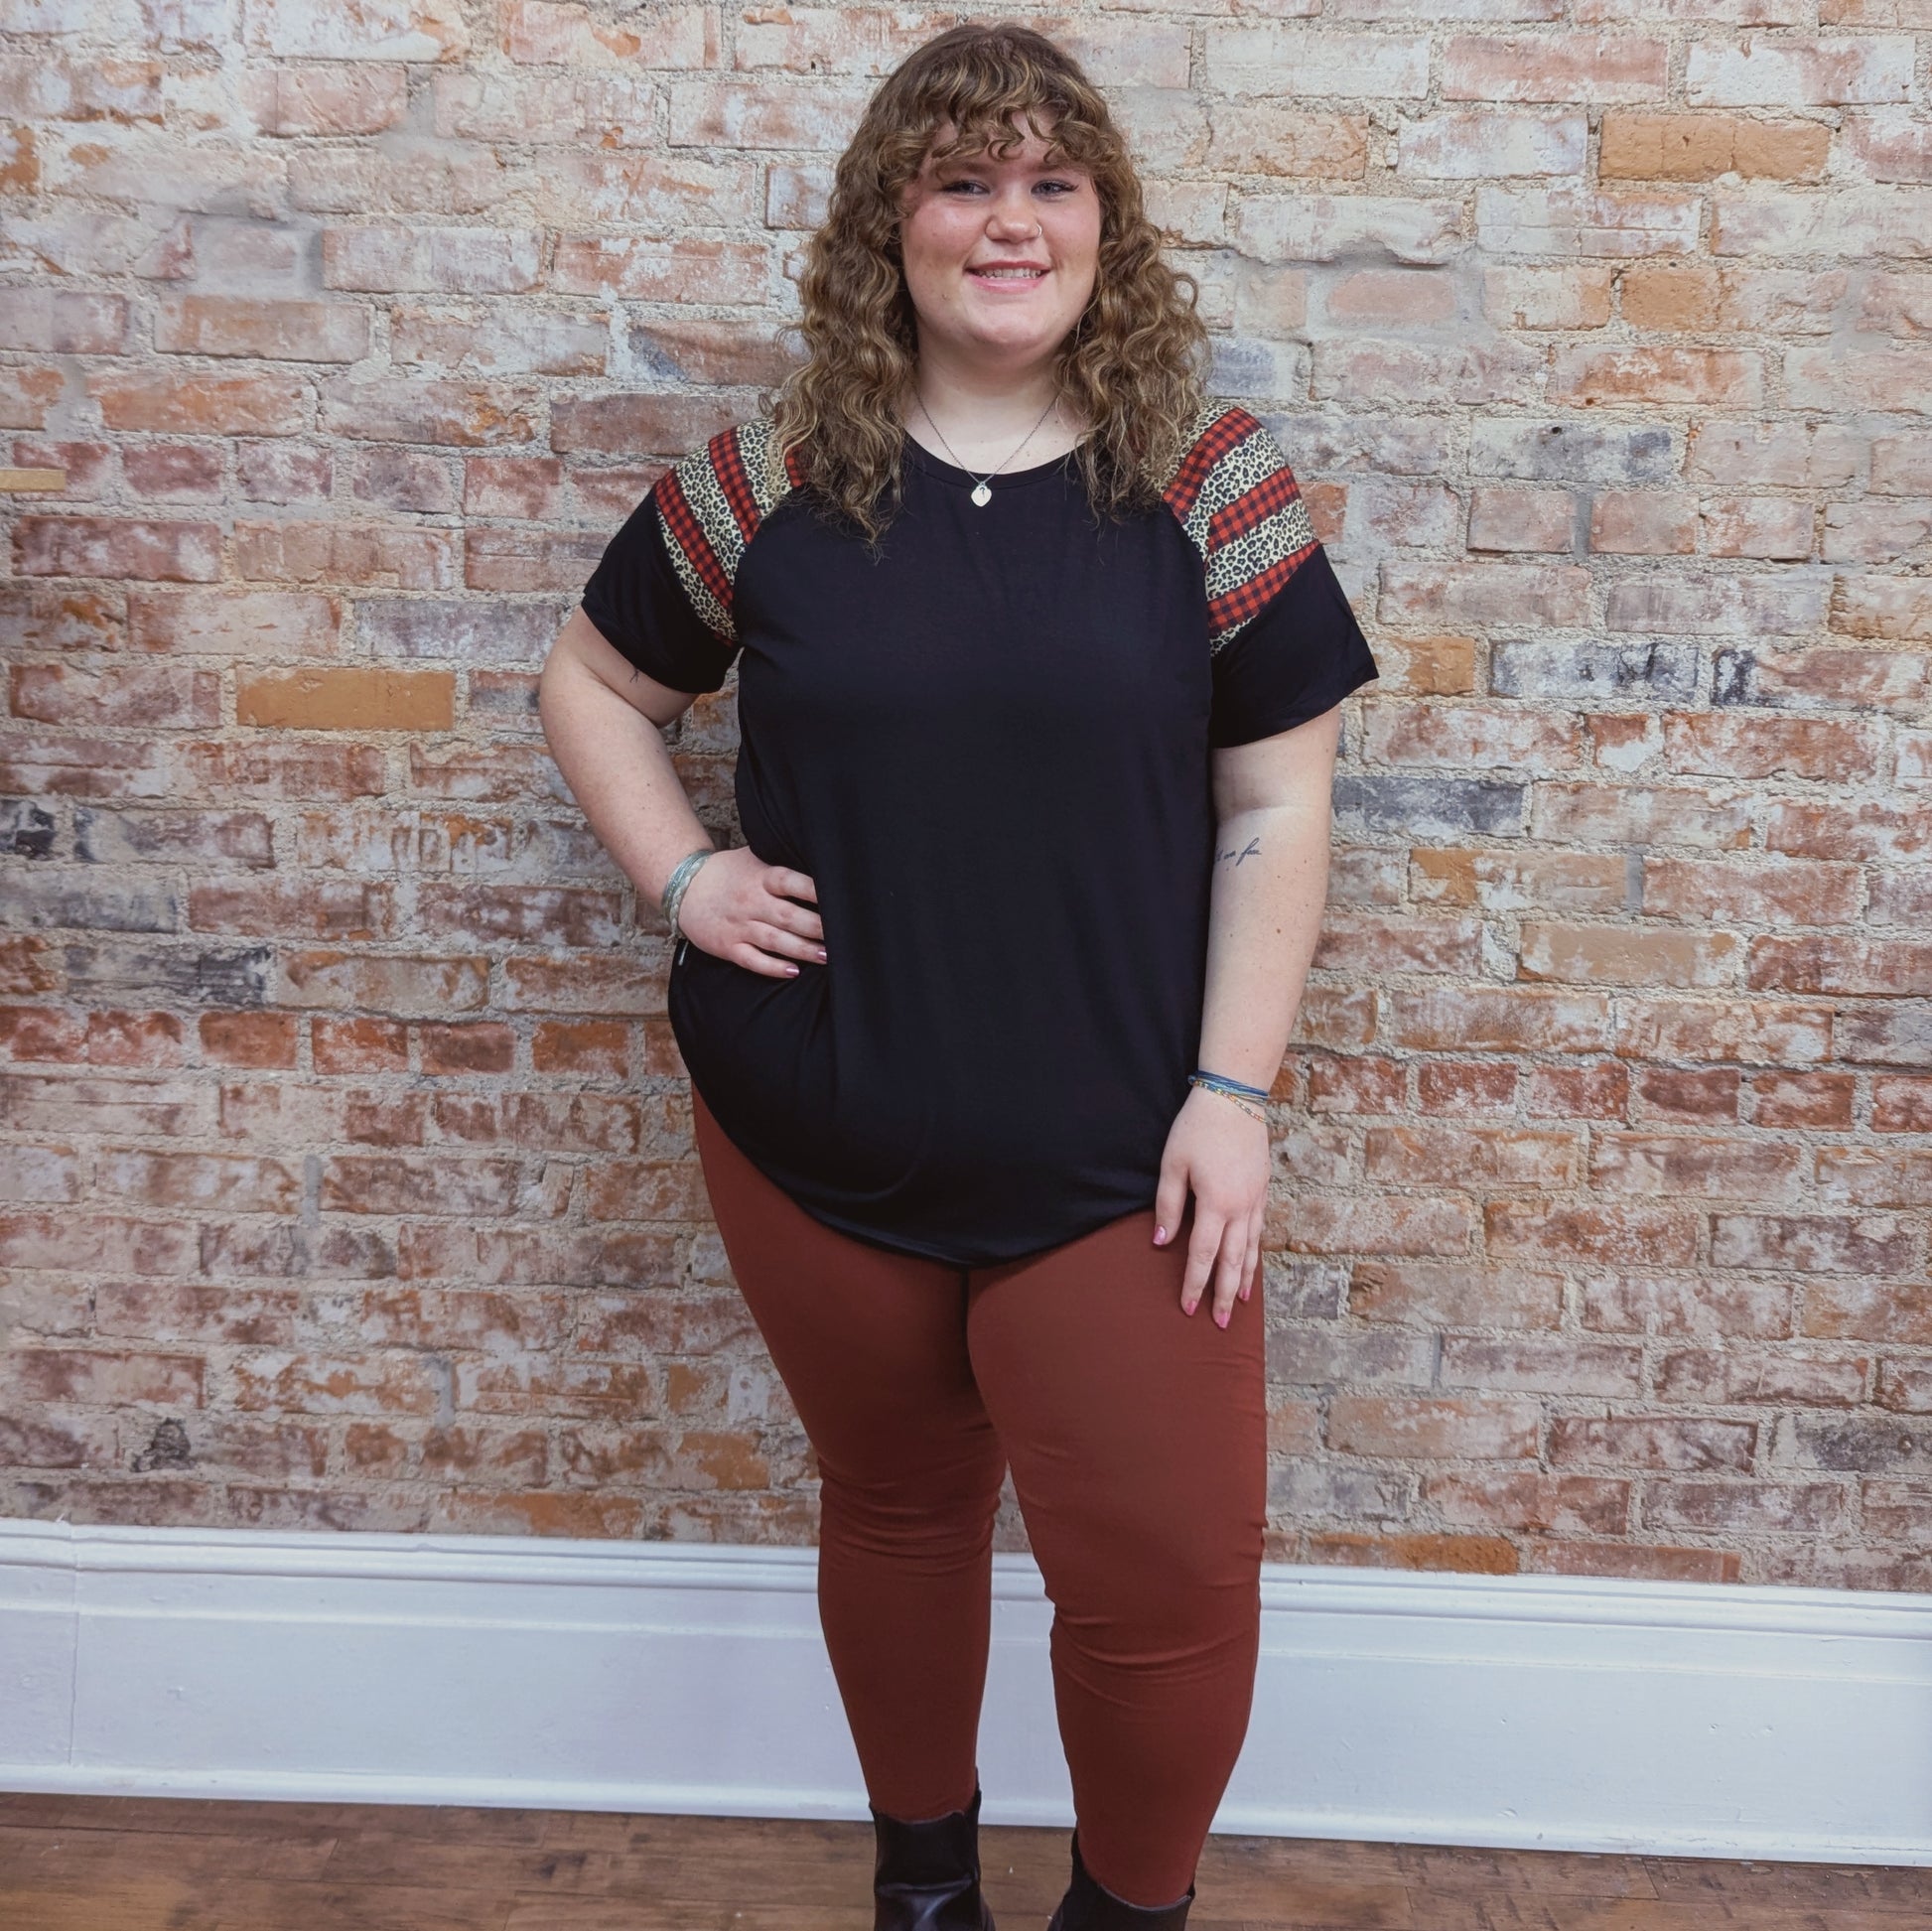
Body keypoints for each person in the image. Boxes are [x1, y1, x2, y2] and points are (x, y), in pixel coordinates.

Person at [537, 23, 1377, 1929]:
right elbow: (590, 680)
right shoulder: (773, 475)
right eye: (963, 182)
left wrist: (1231, 1096)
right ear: (889, 225)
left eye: (1049, 184)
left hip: (1120, 1152)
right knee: (899, 1506)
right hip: (817, 1124)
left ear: (1102, 225)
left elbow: (1277, 804)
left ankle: (1123, 1912)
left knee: (1163, 1580)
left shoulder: (1208, 483)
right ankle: (922, 1889)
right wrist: (683, 873)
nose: (1010, 222)